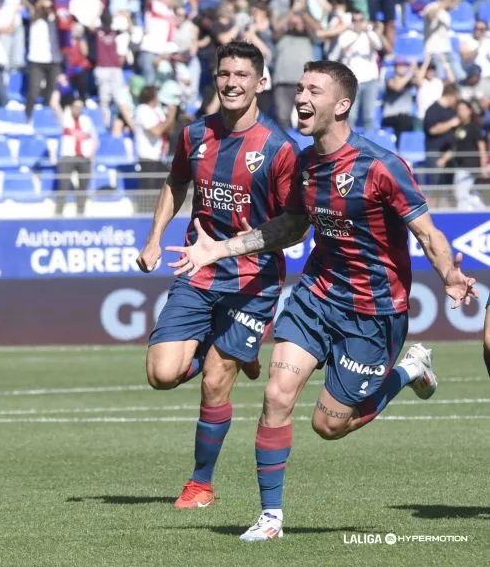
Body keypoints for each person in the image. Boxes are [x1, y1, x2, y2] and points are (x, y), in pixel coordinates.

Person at [174, 60, 476, 541]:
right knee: (276, 395)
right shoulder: (306, 163)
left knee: (329, 425)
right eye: (299, 89)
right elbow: (291, 226)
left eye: (314, 90)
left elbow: (426, 230)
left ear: (341, 105)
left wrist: (449, 274)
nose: (300, 97)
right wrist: (221, 247)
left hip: (373, 311)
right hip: (317, 296)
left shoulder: (380, 165)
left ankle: (410, 371)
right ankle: (270, 517)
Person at [136, 40, 299, 510]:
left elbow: (293, 224)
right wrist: (154, 237)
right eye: (224, 75)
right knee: (161, 374)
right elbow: (176, 181)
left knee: (214, 380)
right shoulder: (194, 135)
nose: (232, 83)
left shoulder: (278, 148)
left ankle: (200, 483)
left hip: (253, 279)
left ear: (261, 82)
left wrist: (239, 245)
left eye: (242, 76)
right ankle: (224, 346)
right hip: (197, 269)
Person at [332, 10, 381, 131]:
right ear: (352, 22)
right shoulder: (346, 35)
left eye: (360, 20)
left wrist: (367, 33)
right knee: (351, 117)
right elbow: (344, 49)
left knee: (369, 117)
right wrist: (358, 35)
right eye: (355, 20)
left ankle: (369, 147)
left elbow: (378, 46)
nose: (358, 23)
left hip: (370, 80)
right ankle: (349, 147)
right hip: (352, 82)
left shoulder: (370, 33)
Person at [55, 96, 97, 215]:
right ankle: (59, 213)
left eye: (80, 107)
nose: (78, 109)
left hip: (84, 157)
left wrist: (91, 153)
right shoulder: (65, 118)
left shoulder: (86, 121)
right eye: (76, 107)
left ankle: (80, 213)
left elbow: (95, 138)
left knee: (83, 188)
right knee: (63, 186)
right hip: (68, 157)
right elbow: (55, 107)